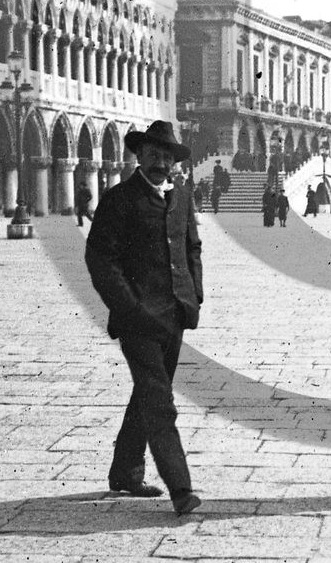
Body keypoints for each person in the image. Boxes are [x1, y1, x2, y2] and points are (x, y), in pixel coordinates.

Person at [84, 120, 203, 516]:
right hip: (138, 318)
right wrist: (128, 308)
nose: (161, 163)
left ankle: (125, 472)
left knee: (148, 391)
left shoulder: (181, 196)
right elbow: (100, 259)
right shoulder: (119, 199)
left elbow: (192, 248)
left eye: (167, 157)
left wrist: (194, 296)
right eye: (153, 155)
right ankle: (181, 488)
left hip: (175, 316)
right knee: (159, 400)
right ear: (139, 156)